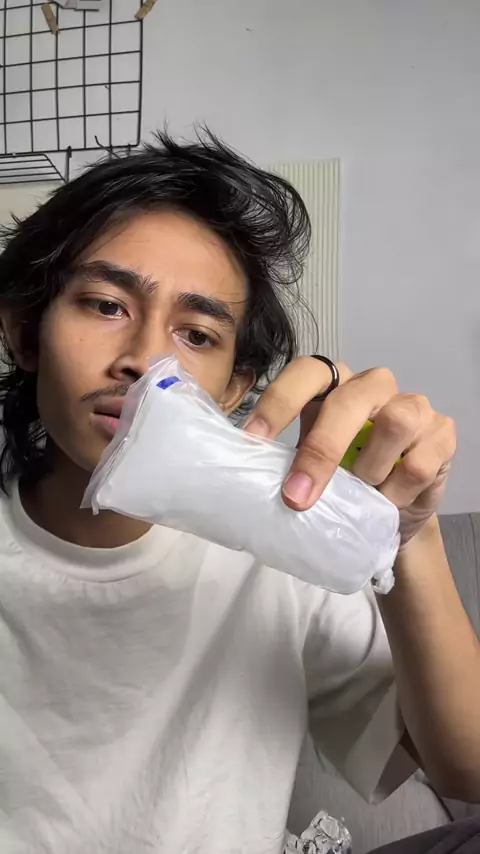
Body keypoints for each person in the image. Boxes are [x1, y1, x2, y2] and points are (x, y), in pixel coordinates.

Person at [0, 132, 478, 854]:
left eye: (196, 335)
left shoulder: (276, 544)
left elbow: (467, 768)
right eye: (105, 305)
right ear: (24, 333)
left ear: (232, 389)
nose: (144, 361)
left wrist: (407, 531)